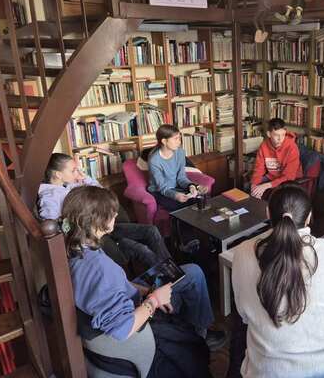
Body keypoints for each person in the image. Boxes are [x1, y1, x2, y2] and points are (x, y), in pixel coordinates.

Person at [63, 186, 217, 377]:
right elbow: (122, 329)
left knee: (191, 273)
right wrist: (154, 300)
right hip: (136, 317)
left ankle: (199, 331)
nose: (116, 214)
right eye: (111, 212)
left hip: (133, 296)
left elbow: (109, 287)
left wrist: (143, 290)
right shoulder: (99, 269)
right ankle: (198, 336)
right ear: (96, 221)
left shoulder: (77, 247)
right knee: (193, 274)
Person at [231, 184, 324, 378]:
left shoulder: (243, 251)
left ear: (267, 213)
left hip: (271, 373)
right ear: (309, 217)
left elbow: (244, 314)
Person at [38, 153, 170, 273]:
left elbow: (102, 195)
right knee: (141, 250)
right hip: (91, 235)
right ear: (58, 175)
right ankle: (168, 274)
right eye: (73, 170)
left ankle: (171, 270)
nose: (76, 173)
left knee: (151, 231)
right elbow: (52, 226)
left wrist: (84, 177)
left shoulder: (70, 185)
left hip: (104, 226)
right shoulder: (49, 197)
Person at [148, 124, 208, 211]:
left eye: (179, 138)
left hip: (176, 187)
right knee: (178, 205)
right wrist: (175, 195)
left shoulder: (180, 153)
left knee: (200, 198)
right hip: (159, 190)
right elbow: (162, 187)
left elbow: (181, 178)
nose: (179, 142)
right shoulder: (154, 160)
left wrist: (192, 186)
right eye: (176, 139)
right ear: (164, 141)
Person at [250, 118, 303, 199]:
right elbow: (258, 169)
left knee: (272, 196)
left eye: (283, 135)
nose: (280, 139)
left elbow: (289, 176)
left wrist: (266, 185)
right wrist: (254, 185)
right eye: (276, 135)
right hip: (272, 176)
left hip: (289, 180)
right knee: (251, 190)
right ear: (269, 134)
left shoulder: (292, 147)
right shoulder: (264, 146)